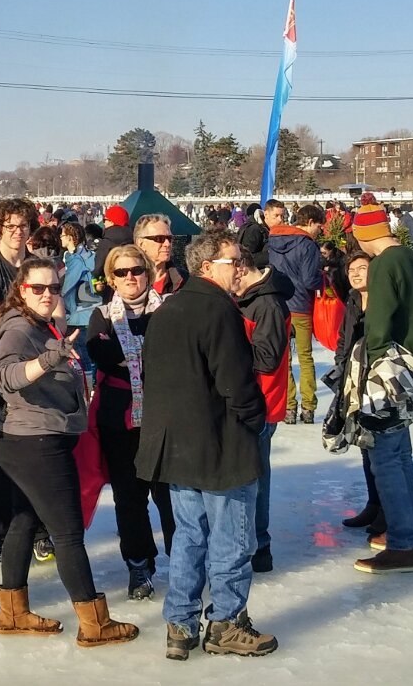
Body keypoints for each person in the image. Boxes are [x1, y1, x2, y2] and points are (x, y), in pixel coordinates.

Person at [0, 255, 139, 647]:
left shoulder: (39, 324)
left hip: (30, 440)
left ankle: (13, 613)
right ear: (21, 290)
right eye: (38, 288)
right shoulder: (19, 328)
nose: (47, 294)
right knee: (68, 533)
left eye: (54, 287)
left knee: (24, 520)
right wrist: (47, 359)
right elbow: (4, 376)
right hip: (37, 443)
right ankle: (94, 623)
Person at [138, 231, 277, 659]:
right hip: (220, 446)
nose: (240, 269)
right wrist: (255, 421)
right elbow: (236, 383)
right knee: (231, 539)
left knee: (189, 537)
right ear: (206, 267)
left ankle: (180, 625)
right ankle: (226, 624)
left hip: (179, 446)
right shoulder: (218, 310)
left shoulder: (168, 308)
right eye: (232, 261)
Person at [85, 245, 176, 600]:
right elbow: (101, 353)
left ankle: (183, 560)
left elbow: (173, 353)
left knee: (171, 496)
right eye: (121, 272)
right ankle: (139, 563)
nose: (130, 277)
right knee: (129, 497)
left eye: (136, 270)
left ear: (148, 272)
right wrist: (140, 354)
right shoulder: (102, 314)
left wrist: (127, 355)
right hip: (119, 420)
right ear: (111, 278)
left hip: (164, 417)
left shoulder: (168, 310)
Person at [350, 203, 413, 574]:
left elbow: (378, 325)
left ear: (363, 234)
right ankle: (404, 533)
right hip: (412, 361)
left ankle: (402, 544)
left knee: (385, 457)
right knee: (401, 455)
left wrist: (371, 363)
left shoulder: (384, 264)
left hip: (387, 368)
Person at [0, 198, 49, 561]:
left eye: (24, 225)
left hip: (39, 365)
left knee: (39, 450)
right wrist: (32, 322)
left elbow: (56, 315)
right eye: (11, 226)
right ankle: (0, 532)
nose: (18, 232)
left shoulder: (38, 267)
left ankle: (40, 528)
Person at [233, 248, 291, 573]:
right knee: (253, 476)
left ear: (241, 268)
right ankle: (255, 543)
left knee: (254, 479)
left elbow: (267, 359)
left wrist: (227, 350)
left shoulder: (267, 303)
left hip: (261, 405)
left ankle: (259, 546)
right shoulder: (253, 298)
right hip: (255, 402)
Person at [267, 204, 323, 425]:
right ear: (310, 222)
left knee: (285, 359)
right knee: (305, 357)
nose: (320, 231)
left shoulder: (274, 239)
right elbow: (309, 280)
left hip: (279, 304)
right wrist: (323, 280)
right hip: (300, 306)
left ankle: (289, 406)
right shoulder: (308, 245)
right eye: (319, 226)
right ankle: (308, 406)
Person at [134, 214, 186, 295]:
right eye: (159, 238)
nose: (167, 244)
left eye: (169, 238)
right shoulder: (129, 279)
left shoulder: (185, 280)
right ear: (140, 243)